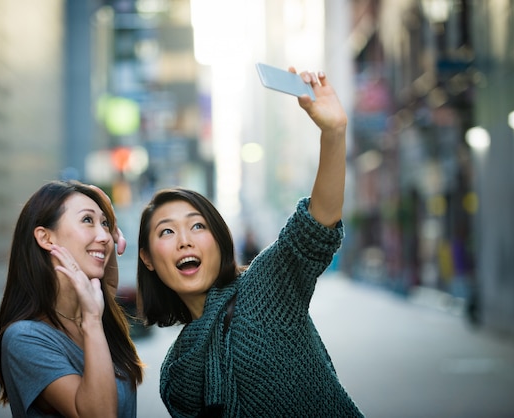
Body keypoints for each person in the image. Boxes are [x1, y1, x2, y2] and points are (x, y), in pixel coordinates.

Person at [136, 67, 364, 417]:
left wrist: (333, 133)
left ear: (219, 240)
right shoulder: (176, 374)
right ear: (148, 258)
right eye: (166, 232)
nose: (184, 241)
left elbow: (315, 227)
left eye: (197, 227)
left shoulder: (263, 289)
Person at [0, 180, 144, 417]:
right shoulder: (25, 338)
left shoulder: (92, 312)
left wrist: (108, 221)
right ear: (46, 238)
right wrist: (92, 321)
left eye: (105, 224)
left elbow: (107, 278)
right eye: (87, 220)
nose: (104, 235)